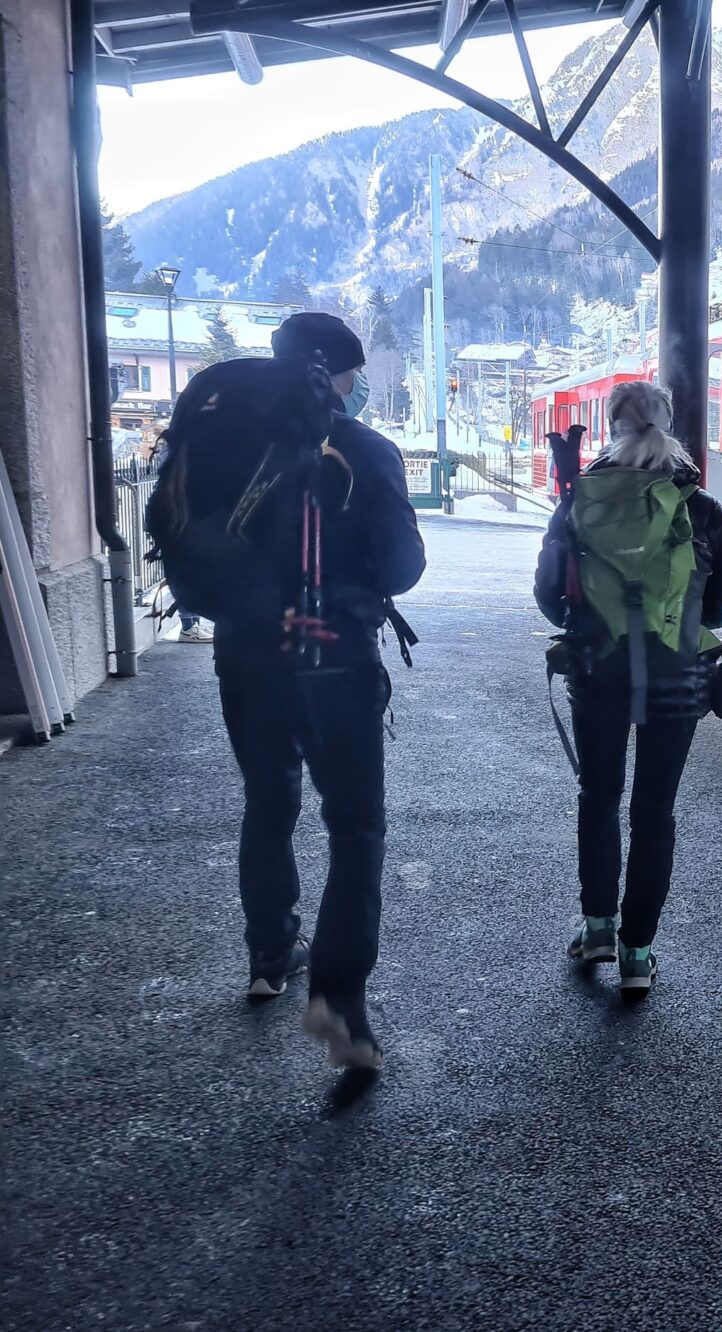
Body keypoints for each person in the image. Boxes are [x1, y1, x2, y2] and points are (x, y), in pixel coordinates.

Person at [222, 312, 424, 1068]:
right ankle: (339, 1007)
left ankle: (270, 957)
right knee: (354, 827)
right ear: (341, 376)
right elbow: (403, 566)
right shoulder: (365, 448)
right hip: (333, 656)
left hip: (245, 656)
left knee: (268, 801)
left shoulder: (236, 443)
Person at [534, 382, 722, 994]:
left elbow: (549, 600)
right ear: (667, 423)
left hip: (596, 673)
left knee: (598, 796)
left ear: (610, 426)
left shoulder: (578, 500)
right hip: (677, 679)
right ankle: (637, 954)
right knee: (653, 811)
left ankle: (597, 925)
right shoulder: (701, 507)